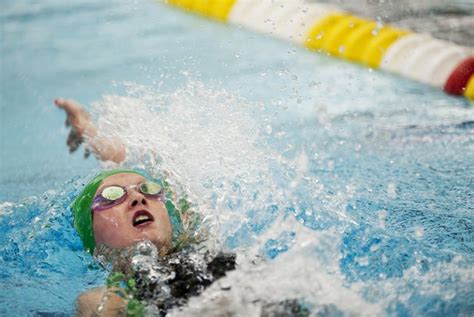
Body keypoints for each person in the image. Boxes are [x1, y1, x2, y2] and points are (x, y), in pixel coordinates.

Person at [54, 99, 236, 316]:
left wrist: (93, 135)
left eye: (147, 188)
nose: (137, 197)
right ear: (92, 236)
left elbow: (160, 160)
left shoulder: (200, 238)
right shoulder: (103, 300)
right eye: (112, 195)